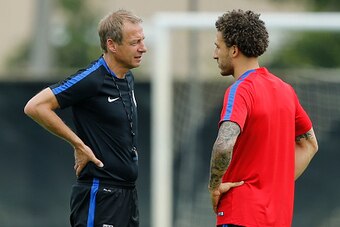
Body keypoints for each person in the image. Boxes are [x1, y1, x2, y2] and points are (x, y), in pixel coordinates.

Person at [24, 9, 147, 227]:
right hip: (100, 195)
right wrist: (78, 144)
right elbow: (35, 106)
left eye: (142, 41)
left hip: (127, 196)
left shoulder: (128, 78)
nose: (142, 48)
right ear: (112, 45)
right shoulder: (92, 78)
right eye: (135, 42)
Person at [208, 9, 318, 227]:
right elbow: (309, 144)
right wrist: (275, 184)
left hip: (240, 215)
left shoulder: (240, 90)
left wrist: (215, 186)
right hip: (278, 219)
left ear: (234, 50)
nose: (214, 54)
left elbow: (223, 146)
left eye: (218, 47)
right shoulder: (285, 90)